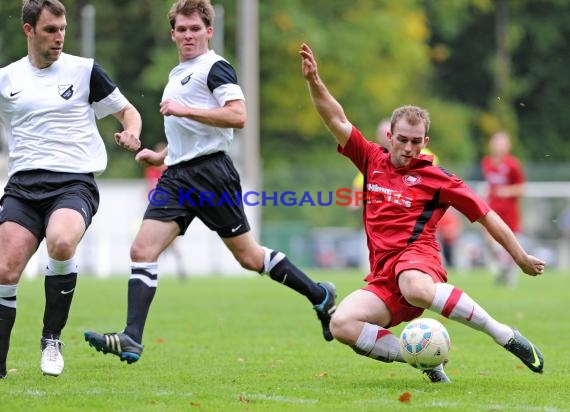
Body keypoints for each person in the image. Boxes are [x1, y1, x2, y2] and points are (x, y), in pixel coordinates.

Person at [83, 0, 336, 364]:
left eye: (195, 28)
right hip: (177, 177)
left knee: (249, 257)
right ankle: (131, 338)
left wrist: (184, 109)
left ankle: (318, 294)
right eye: (181, 29)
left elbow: (238, 115)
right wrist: (162, 155)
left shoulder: (215, 68)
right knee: (142, 251)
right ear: (172, 33)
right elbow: (190, 134)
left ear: (209, 31)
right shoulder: (176, 74)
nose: (188, 35)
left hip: (212, 175)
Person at [300, 42, 545, 383]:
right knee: (341, 323)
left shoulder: (438, 178)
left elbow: (486, 214)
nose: (409, 147)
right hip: (384, 275)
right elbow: (335, 116)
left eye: (416, 141)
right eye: (403, 139)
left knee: (414, 286)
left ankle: (502, 333)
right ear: (390, 136)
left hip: (418, 259)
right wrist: (314, 80)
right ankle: (424, 361)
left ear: (425, 139)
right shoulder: (371, 159)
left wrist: (519, 256)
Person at [0, 0, 142, 379]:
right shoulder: (7, 79)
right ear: (29, 30)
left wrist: (132, 132)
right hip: (23, 185)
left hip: (73, 182)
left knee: (62, 241)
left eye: (62, 28)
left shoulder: (85, 71)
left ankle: (51, 338)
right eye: (50, 30)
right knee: (5, 268)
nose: (59, 36)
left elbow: (129, 110)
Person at [480, 131, 526, 287]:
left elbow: (521, 188)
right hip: (492, 210)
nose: (497, 146)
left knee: (511, 245)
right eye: (495, 142)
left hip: (509, 212)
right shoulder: (486, 162)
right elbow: (490, 185)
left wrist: (506, 191)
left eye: (501, 142)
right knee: (489, 240)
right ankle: (501, 267)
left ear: (508, 146)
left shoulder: (513, 164)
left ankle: (510, 276)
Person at [143, 142, 188, 281]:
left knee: (168, 243)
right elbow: (148, 189)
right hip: (157, 207)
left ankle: (178, 268)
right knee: (159, 242)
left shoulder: (170, 170)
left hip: (170, 208)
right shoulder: (151, 171)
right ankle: (167, 269)